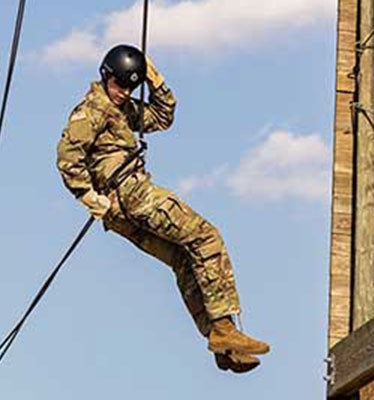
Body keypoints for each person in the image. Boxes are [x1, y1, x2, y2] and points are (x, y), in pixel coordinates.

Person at [56, 44, 269, 373]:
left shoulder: (122, 109)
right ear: (106, 76)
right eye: (120, 85)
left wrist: (156, 81)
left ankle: (221, 340)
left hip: (120, 212)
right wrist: (86, 194)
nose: (124, 93)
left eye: (131, 87)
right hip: (131, 193)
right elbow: (68, 156)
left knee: (184, 260)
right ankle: (226, 329)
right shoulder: (92, 109)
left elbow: (161, 117)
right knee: (205, 237)